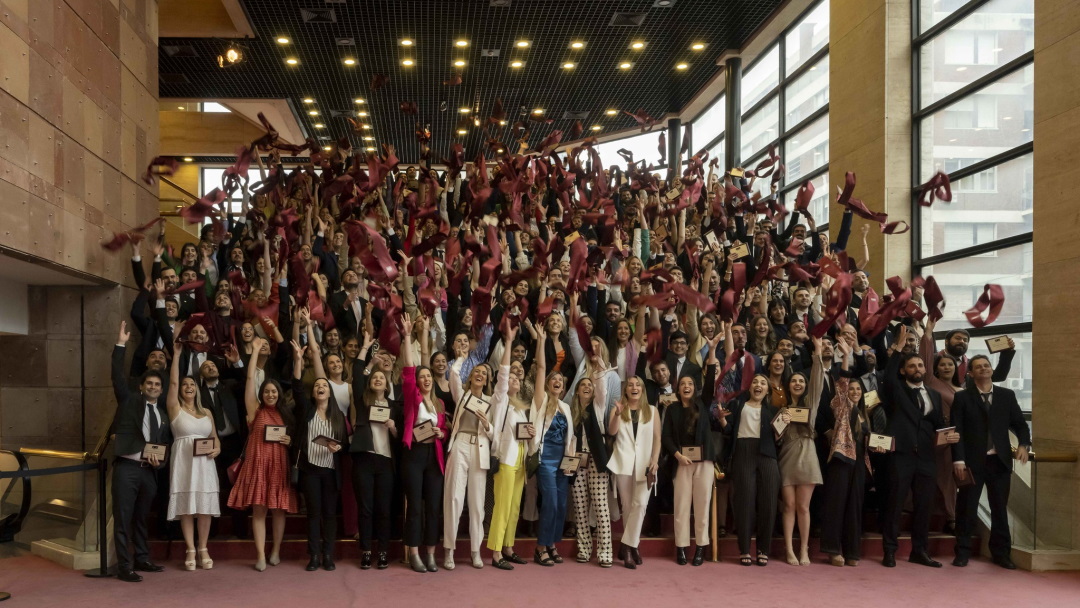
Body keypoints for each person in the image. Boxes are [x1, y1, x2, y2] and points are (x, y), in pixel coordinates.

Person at [880, 325, 957, 568]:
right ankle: (889, 551)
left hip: (926, 457)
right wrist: (899, 348)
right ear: (904, 371)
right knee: (895, 505)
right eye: (912, 366)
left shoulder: (933, 395)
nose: (917, 369)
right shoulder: (895, 390)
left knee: (923, 506)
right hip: (901, 456)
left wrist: (947, 436)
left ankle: (919, 551)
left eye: (921, 365)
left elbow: (935, 425)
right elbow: (889, 376)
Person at [951, 355, 1031, 569]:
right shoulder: (962, 398)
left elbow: (1020, 425)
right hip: (971, 462)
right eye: (978, 367)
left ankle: (1001, 554)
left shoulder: (1006, 395)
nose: (984, 369)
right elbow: (956, 430)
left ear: (991, 370)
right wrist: (958, 459)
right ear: (971, 373)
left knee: (999, 509)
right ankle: (962, 553)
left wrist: (1024, 444)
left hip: (1000, 462)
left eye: (986, 365)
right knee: (966, 509)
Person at [227, 337, 297, 572]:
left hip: (279, 466)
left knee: (278, 510)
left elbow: (292, 439)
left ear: (278, 394)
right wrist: (255, 351)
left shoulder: (285, 415)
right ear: (262, 394)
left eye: (273, 391)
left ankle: (275, 550)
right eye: (266, 391)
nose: (270, 395)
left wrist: (289, 440)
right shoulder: (254, 410)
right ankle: (259, 554)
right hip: (257, 465)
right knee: (259, 511)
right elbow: (249, 379)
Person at [110, 321, 170, 582]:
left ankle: (142, 558)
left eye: (157, 385)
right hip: (127, 469)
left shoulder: (163, 414)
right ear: (142, 386)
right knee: (123, 519)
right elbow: (116, 375)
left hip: (149, 472)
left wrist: (160, 463)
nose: (154, 387)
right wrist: (120, 344)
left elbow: (163, 445)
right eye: (150, 384)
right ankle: (124, 566)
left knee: (142, 519)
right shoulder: (129, 401)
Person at [290, 337, 347, 572]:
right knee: (313, 515)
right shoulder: (307, 410)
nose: (320, 387)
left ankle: (328, 555)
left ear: (329, 391)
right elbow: (295, 386)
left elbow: (344, 443)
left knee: (330, 515)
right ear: (313, 392)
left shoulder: (338, 416)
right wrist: (298, 360)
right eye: (316, 386)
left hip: (330, 471)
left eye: (323, 385)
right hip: (310, 470)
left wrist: (338, 447)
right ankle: (314, 555)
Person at [166, 333, 221, 571]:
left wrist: (216, 450)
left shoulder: (207, 412)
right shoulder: (175, 408)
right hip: (184, 462)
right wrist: (177, 356)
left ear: (197, 390)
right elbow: (174, 383)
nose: (188, 387)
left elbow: (215, 441)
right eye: (185, 385)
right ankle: (189, 549)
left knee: (204, 508)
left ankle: (203, 548)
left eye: (192, 385)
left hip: (205, 464)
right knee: (188, 507)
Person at [400, 313, 448, 573]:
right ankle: (414, 553)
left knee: (433, 507)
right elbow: (409, 369)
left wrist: (442, 433)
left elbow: (441, 427)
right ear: (418, 382)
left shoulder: (438, 403)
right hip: (414, 455)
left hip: (434, 455)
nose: (427, 379)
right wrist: (409, 336)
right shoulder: (412, 397)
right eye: (423, 376)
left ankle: (431, 554)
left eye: (430, 376)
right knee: (415, 507)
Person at [443, 333, 495, 570]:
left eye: (483, 374)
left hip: (480, 448)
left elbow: (494, 433)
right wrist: (462, 358)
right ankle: (449, 551)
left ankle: (476, 551)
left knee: (476, 503)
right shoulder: (461, 395)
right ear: (471, 376)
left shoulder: (490, 401)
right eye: (476, 373)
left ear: (486, 380)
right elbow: (453, 375)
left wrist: (487, 424)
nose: (479, 376)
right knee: (454, 497)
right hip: (461, 445)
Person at [349, 342, 402, 570]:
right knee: (366, 508)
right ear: (370, 383)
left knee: (383, 509)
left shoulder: (394, 406)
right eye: (374, 378)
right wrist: (369, 359)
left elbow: (401, 436)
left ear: (387, 384)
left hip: (386, 461)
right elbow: (357, 376)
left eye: (381, 378)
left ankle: (382, 551)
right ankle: (366, 552)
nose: (378, 380)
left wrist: (392, 427)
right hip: (365, 459)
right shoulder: (363, 401)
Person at [719, 374, 781, 567]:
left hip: (767, 456)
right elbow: (728, 430)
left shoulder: (773, 410)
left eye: (763, 383)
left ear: (767, 390)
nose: (758, 385)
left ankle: (763, 549)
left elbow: (778, 438)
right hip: (743, 454)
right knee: (744, 502)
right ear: (749, 386)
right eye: (755, 382)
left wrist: (784, 424)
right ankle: (744, 549)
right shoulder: (738, 405)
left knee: (769, 503)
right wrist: (722, 420)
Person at [821, 350, 874, 566]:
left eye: (857, 389)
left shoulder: (865, 413)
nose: (853, 391)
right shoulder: (841, 405)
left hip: (859, 463)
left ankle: (852, 552)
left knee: (854, 507)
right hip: (841, 460)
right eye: (851, 388)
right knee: (837, 505)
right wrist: (845, 357)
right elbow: (842, 384)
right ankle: (833, 551)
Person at [487, 323, 534, 569]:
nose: (514, 378)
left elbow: (523, 435)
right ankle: (495, 553)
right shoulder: (501, 399)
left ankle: (508, 547)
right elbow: (504, 371)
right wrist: (509, 340)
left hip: (520, 461)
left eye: (518, 375)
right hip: (505, 460)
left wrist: (531, 434)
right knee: (502, 506)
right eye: (511, 376)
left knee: (514, 507)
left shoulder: (521, 407)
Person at [530, 323, 576, 566]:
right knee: (549, 502)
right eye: (553, 379)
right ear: (548, 384)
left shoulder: (566, 407)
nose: (557, 381)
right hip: (545, 459)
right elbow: (540, 368)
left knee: (560, 504)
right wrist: (540, 341)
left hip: (562, 461)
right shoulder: (542, 400)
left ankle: (552, 544)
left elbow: (571, 439)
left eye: (560, 380)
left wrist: (570, 460)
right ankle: (540, 547)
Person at [777, 337, 826, 566]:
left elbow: (818, 379)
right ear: (788, 385)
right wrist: (783, 422)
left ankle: (804, 549)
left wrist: (817, 352)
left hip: (807, 457)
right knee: (788, 506)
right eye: (794, 380)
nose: (797, 383)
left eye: (801, 381)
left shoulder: (811, 404)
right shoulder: (782, 408)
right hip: (787, 457)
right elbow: (775, 436)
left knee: (804, 507)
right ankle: (789, 549)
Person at [662, 370, 717, 567]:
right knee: (682, 507)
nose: (687, 386)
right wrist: (678, 455)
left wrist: (712, 353)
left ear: (695, 388)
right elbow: (666, 437)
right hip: (682, 462)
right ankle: (681, 547)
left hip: (705, 463)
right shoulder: (672, 409)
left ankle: (701, 546)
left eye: (690, 384)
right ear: (678, 389)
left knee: (702, 506)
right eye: (683, 383)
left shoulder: (702, 404)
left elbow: (710, 383)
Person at [607, 376, 661, 569]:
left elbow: (657, 439)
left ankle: (627, 546)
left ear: (643, 389)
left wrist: (654, 460)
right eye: (630, 385)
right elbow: (612, 432)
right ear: (626, 390)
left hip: (645, 466)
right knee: (628, 507)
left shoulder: (652, 411)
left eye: (638, 384)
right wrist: (616, 415)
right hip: (623, 463)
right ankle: (634, 547)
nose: (634, 387)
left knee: (641, 505)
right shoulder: (619, 408)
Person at [568, 363, 616, 568]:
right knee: (579, 507)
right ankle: (584, 549)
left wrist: (599, 373)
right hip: (577, 461)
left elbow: (602, 389)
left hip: (596, 459)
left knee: (600, 506)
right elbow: (568, 440)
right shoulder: (570, 411)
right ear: (577, 390)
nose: (587, 387)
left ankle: (605, 552)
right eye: (583, 385)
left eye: (590, 384)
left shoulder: (597, 405)